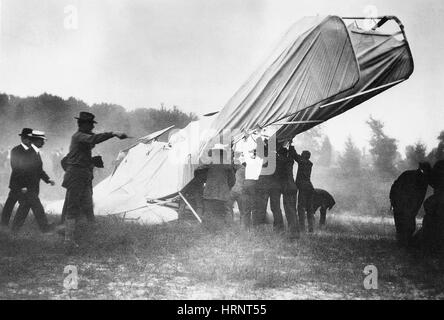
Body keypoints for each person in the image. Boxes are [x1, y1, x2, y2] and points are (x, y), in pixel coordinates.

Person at [62, 111, 128, 248]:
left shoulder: (83, 136)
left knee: (87, 206)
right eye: (90, 125)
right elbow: (93, 139)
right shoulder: (79, 136)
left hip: (83, 175)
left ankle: (90, 235)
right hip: (75, 176)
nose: (92, 127)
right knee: (72, 207)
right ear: (83, 124)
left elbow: (93, 139)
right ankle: (68, 240)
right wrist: (113, 133)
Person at [10, 130, 56, 233]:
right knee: (37, 207)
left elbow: (39, 170)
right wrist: (22, 186)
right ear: (36, 141)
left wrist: (48, 180)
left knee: (24, 208)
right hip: (28, 187)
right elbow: (20, 171)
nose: (43, 143)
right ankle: (45, 228)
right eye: (42, 141)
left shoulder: (35, 153)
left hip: (33, 187)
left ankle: (14, 230)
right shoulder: (28, 153)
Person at [389, 162, 431, 247]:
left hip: (403, 207)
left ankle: (403, 246)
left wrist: (393, 201)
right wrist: (393, 201)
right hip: (402, 206)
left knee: (406, 228)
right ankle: (403, 247)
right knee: (406, 228)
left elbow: (395, 186)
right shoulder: (419, 179)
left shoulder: (414, 176)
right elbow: (395, 187)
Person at [1, 128, 33, 228]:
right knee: (12, 203)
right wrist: (23, 185)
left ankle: (14, 227)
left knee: (21, 204)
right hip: (17, 183)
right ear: (23, 138)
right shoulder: (16, 150)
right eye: (29, 138)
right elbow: (16, 168)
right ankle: (5, 225)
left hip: (26, 184)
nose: (30, 141)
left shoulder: (32, 151)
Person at [202, 144, 235, 228]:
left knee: (209, 212)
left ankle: (208, 229)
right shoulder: (227, 166)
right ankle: (227, 229)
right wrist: (226, 188)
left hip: (209, 193)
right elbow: (232, 181)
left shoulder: (208, 166)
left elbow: (203, 178)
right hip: (223, 194)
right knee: (225, 212)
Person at [275, 143, 300, 239]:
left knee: (289, 210)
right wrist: (291, 145)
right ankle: (295, 231)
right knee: (293, 209)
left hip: (287, 188)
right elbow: (291, 153)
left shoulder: (280, 160)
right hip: (293, 187)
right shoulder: (290, 160)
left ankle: (293, 233)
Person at [290, 146, 315, 233]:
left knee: (301, 208)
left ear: (303, 156)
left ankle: (302, 228)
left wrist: (290, 145)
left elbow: (294, 155)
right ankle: (311, 228)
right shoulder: (309, 163)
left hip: (303, 188)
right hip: (310, 187)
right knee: (309, 209)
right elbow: (297, 156)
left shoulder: (302, 162)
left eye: (301, 155)